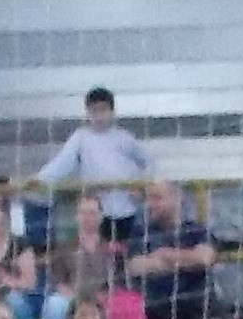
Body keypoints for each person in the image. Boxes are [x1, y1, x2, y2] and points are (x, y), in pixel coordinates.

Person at [35, 87, 157, 244]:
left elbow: (149, 162)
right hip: (99, 213)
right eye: (93, 111)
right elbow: (61, 164)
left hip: (128, 209)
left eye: (103, 110)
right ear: (87, 113)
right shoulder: (81, 138)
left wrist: (142, 188)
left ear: (112, 111)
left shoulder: (124, 138)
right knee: (102, 251)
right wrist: (38, 181)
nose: (98, 116)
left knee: (130, 250)